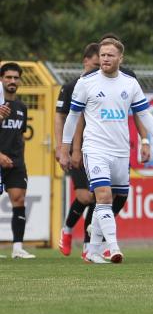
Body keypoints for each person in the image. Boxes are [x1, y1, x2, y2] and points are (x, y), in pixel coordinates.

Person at [60, 37, 153, 264]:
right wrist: (66, 147)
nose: (105, 58)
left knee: (116, 198)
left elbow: (144, 113)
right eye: (102, 54)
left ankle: (92, 251)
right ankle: (114, 247)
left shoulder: (129, 83)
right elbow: (73, 117)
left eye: (110, 55)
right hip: (95, 149)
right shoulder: (86, 83)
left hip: (121, 151)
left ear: (120, 58)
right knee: (104, 196)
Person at [56, 43, 100, 257]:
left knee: (98, 196)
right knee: (84, 196)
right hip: (78, 149)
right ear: (85, 61)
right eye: (95, 64)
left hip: (99, 148)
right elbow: (62, 117)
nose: (99, 68)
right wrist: (64, 147)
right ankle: (67, 229)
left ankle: (88, 245)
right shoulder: (73, 86)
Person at [0, 63, 34, 258]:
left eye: (16, 78)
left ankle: (17, 248)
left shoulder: (21, 107)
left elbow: (20, 135)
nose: (12, 81)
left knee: (19, 200)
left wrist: (19, 158)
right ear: (2, 79)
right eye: (8, 77)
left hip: (15, 163)